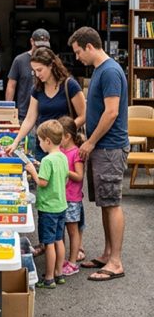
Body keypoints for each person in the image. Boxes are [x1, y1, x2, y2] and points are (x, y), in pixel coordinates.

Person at [68, 26, 129, 282]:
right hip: (103, 147)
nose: (77, 57)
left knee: (112, 204)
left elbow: (111, 112)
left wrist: (91, 142)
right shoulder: (100, 70)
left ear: (90, 46)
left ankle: (116, 262)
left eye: (78, 52)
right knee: (105, 203)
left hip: (109, 148)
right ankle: (107, 254)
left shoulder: (110, 71)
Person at [7, 47, 86, 162]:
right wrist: (16, 142)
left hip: (64, 147)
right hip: (42, 146)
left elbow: (83, 115)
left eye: (40, 70)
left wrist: (60, 132)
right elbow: (30, 118)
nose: (37, 74)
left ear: (51, 65)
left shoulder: (70, 85)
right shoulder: (37, 89)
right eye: (34, 71)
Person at [25, 120, 69, 289]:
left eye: (40, 141)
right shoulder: (62, 157)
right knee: (59, 239)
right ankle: (59, 273)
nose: (39, 144)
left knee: (48, 243)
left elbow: (42, 182)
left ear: (48, 141)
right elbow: (64, 178)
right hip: (61, 205)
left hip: (48, 208)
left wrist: (33, 171)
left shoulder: (47, 160)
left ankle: (49, 278)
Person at [58, 115, 85, 276]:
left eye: (58, 136)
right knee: (60, 230)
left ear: (67, 136)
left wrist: (65, 170)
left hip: (72, 199)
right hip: (60, 197)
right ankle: (61, 260)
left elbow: (79, 176)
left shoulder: (76, 153)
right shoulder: (60, 151)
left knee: (72, 231)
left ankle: (73, 262)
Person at [6, 28, 51, 123]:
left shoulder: (51, 61)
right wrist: (9, 110)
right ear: (32, 42)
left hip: (46, 114)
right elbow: (11, 85)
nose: (41, 49)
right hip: (24, 114)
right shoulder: (20, 60)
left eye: (44, 46)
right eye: (38, 46)